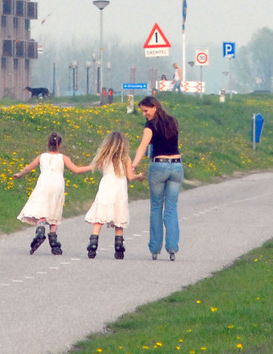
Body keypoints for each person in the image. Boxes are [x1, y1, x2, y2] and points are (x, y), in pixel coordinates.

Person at [14, 132, 92, 255]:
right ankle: (53, 237)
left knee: (42, 206)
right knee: (54, 207)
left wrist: (20, 174)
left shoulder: (41, 157)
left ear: (48, 144)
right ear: (59, 145)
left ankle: (40, 228)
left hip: (43, 183)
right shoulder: (63, 158)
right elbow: (76, 170)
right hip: (57, 185)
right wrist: (92, 166)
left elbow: (29, 168)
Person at [132, 95, 183, 261]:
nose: (144, 114)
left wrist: (133, 165)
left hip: (159, 165)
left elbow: (143, 146)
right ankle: (172, 248)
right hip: (176, 166)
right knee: (171, 207)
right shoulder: (172, 121)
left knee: (156, 207)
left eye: (145, 111)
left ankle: (155, 248)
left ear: (154, 107)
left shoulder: (150, 125)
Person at [83, 130, 143, 259]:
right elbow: (130, 177)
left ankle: (93, 243)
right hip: (120, 189)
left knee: (100, 216)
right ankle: (119, 246)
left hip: (106, 187)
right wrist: (139, 176)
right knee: (119, 216)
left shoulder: (104, 157)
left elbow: (93, 167)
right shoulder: (125, 158)